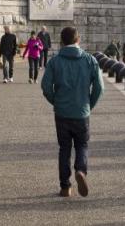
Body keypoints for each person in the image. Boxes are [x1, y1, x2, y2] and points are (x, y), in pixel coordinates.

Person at [41, 27, 103, 197]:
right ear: (79, 39)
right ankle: (81, 170)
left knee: (64, 148)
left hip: (62, 112)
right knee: (82, 145)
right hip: (82, 112)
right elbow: (99, 87)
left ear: (61, 41)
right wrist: (89, 104)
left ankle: (65, 186)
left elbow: (46, 86)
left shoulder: (55, 61)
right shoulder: (90, 60)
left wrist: (55, 100)